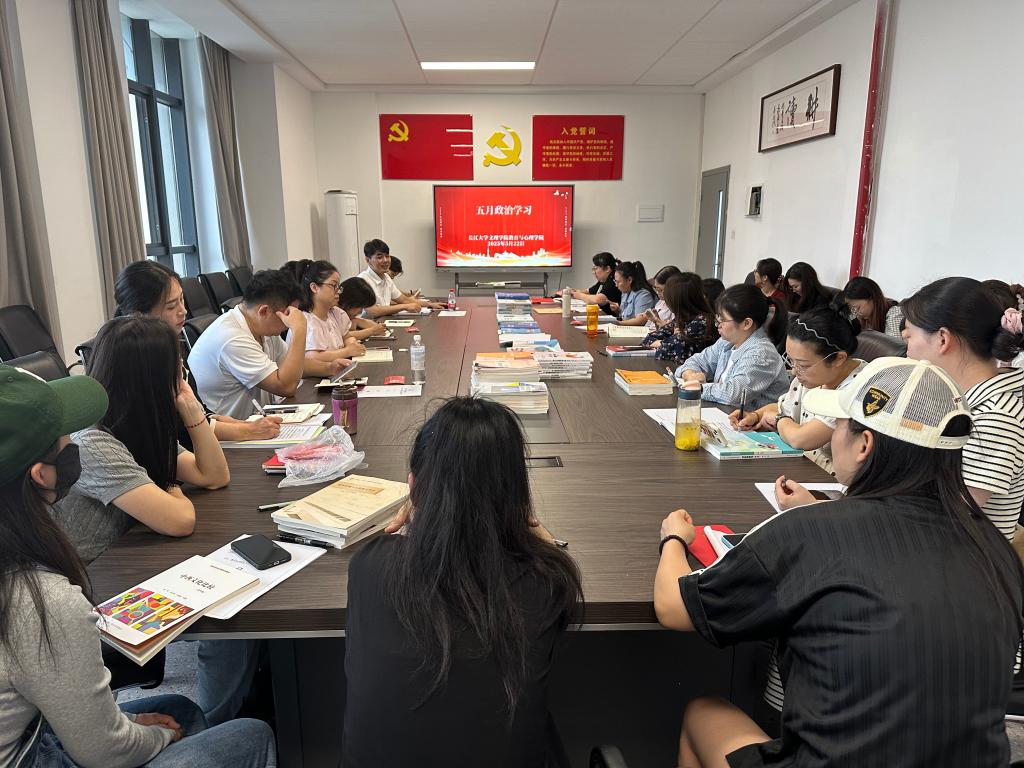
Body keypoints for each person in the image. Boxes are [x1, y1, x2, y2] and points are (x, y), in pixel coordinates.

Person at [654, 357, 1023, 767]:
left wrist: (674, 538)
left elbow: (674, 608)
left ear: (865, 445)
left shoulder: (807, 532)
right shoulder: (996, 551)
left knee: (703, 714)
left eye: (841, 426)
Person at [0, 364, 277, 768]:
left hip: (31, 731)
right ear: (41, 476)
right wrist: (160, 736)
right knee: (251, 734)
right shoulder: (43, 602)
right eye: (66, 437)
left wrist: (131, 727)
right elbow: (104, 752)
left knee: (182, 711)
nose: (76, 440)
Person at [342, 397, 583, 767]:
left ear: (412, 488)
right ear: (518, 499)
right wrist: (542, 540)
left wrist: (423, 515)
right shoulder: (546, 583)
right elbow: (553, 566)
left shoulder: (369, 566)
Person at [53, 316, 229, 562]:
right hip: (90, 570)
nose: (182, 372)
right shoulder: (92, 442)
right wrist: (168, 483)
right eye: (177, 365)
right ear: (153, 379)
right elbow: (180, 521)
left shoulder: (135, 422)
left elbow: (214, 476)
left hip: (123, 554)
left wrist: (192, 410)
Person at [901, 276, 1024, 541]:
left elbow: (950, 512)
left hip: (965, 555)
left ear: (942, 339)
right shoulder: (954, 397)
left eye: (909, 335)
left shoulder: (997, 416)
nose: (906, 346)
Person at [113, 261, 282, 443]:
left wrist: (243, 425)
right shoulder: (138, 362)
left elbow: (200, 411)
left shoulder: (169, 345)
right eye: (171, 306)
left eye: (181, 299)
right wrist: (248, 431)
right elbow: (180, 428)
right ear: (140, 314)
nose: (183, 311)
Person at [189, 269, 346, 420]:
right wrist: (299, 329)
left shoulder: (262, 326)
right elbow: (286, 387)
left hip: (259, 421)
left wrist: (329, 368)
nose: (289, 322)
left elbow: (293, 364)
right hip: (232, 432)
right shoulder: (232, 338)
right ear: (264, 311)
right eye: (288, 315)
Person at [731, 305, 866, 474]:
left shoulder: (858, 389)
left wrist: (778, 420)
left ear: (838, 358)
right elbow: (782, 408)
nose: (794, 371)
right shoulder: (812, 377)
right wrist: (756, 416)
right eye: (791, 361)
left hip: (828, 479)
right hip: (799, 467)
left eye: (802, 365)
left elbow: (800, 439)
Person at [675, 285, 789, 409]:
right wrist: (690, 374)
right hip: (723, 413)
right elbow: (698, 361)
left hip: (750, 420)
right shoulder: (726, 342)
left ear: (746, 323)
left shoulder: (762, 353)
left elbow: (733, 394)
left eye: (722, 320)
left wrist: (699, 388)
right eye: (717, 318)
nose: (717, 325)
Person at [284, 259, 366, 364]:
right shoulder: (306, 320)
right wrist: (347, 351)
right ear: (314, 288)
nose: (338, 291)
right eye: (333, 285)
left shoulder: (337, 313)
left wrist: (351, 344)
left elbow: (347, 337)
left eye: (339, 286)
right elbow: (312, 357)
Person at [642, 273, 717, 364]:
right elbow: (647, 339)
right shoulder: (683, 318)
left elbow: (664, 352)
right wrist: (667, 342)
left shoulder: (701, 322)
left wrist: (666, 342)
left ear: (677, 299)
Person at [359, 239, 444, 317]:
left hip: (382, 323)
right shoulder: (362, 280)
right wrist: (404, 306)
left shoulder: (387, 278)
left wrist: (430, 305)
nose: (385, 260)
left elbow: (404, 300)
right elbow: (373, 311)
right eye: (379, 257)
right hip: (367, 326)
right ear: (368, 260)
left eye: (387, 256)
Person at [338, 277, 389, 341]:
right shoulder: (333, 312)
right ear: (350, 302)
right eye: (360, 307)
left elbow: (374, 326)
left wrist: (357, 321)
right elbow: (340, 336)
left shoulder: (348, 315)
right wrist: (371, 331)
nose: (360, 311)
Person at [644, 265, 683, 330]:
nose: (657, 292)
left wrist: (657, 320)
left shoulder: (676, 307)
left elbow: (671, 331)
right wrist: (655, 319)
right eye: (656, 289)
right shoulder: (660, 302)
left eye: (660, 290)